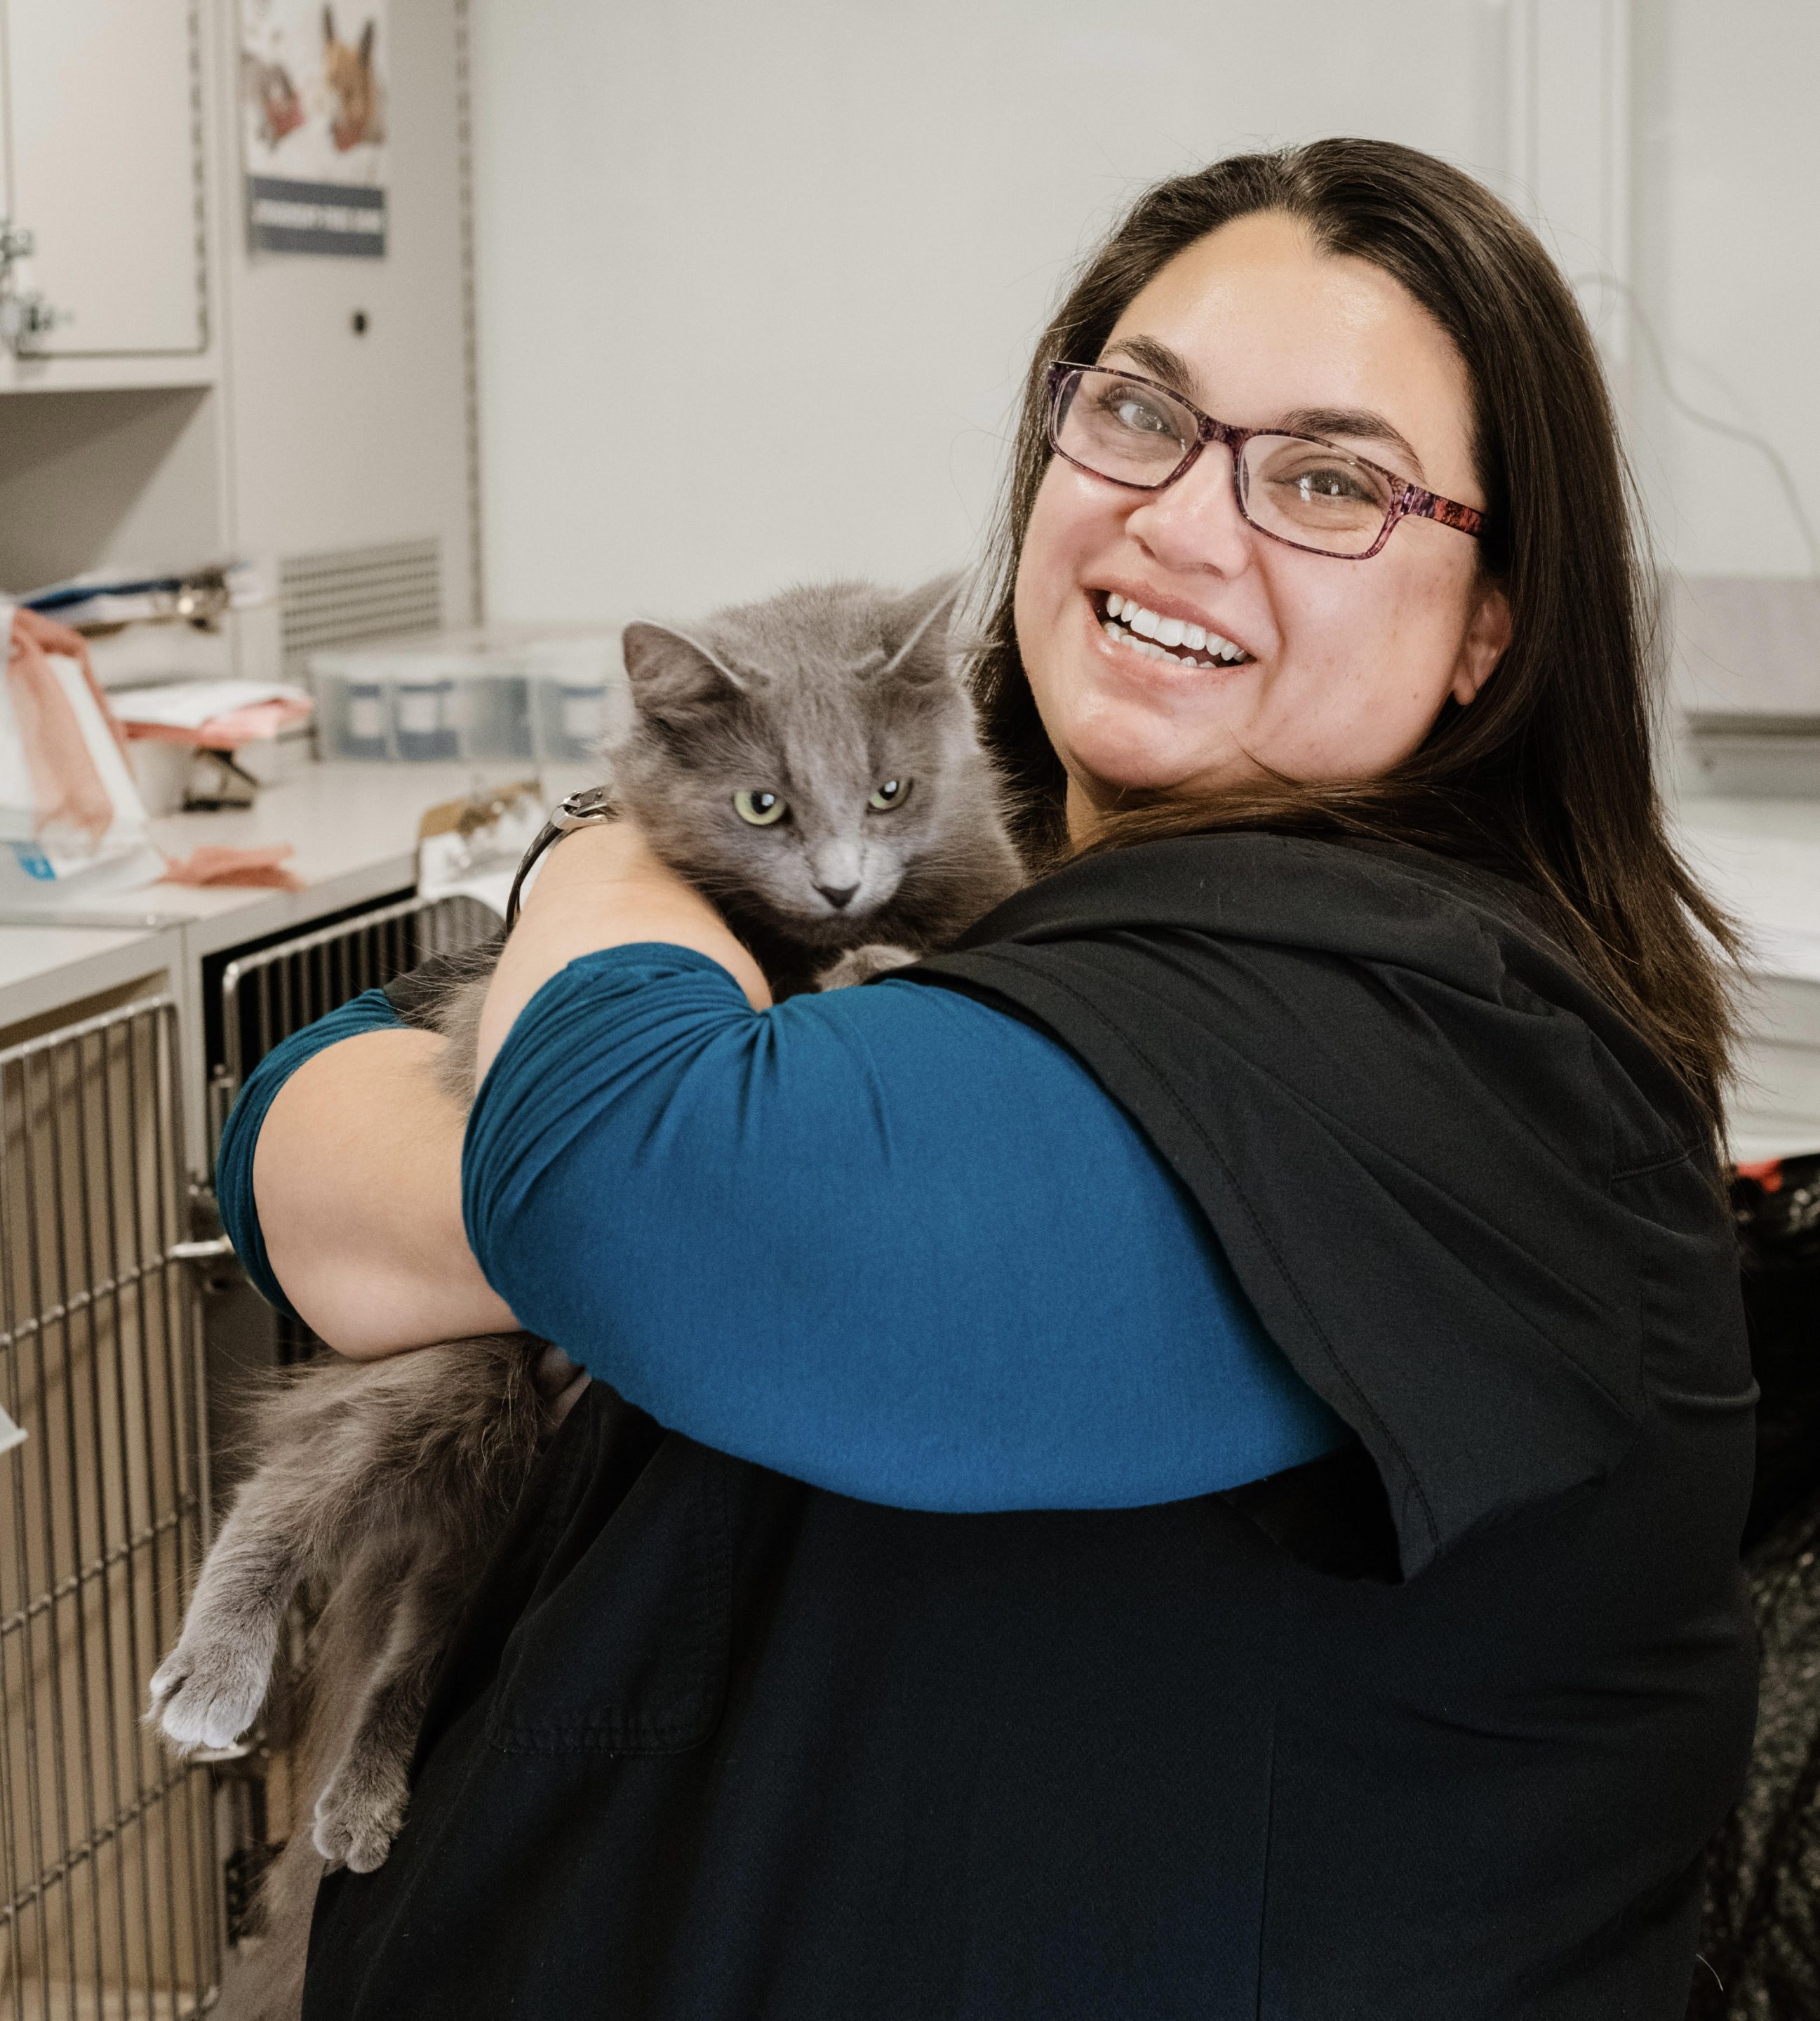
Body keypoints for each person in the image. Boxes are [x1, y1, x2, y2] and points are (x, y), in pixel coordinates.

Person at [220, 140, 1758, 2017]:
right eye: (1135, 414)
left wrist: (608, 858)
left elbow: (627, 1190)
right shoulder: (1081, 920)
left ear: (1488, 633)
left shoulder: (1423, 1038)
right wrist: (448, 1132)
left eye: (1327, 480)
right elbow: (326, 1154)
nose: (1186, 524)